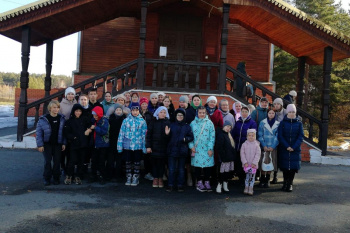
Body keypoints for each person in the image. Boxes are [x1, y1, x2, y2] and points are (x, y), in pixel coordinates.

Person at [36, 100, 66, 186]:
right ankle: (47, 178)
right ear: (50, 108)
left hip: (58, 144)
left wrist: (64, 143)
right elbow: (39, 133)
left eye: (57, 107)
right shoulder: (43, 119)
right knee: (48, 162)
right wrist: (40, 145)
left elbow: (64, 132)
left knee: (57, 162)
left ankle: (56, 178)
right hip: (47, 144)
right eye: (54, 107)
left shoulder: (62, 119)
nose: (56, 109)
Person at [117, 103, 147, 186]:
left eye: (136, 110)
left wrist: (144, 147)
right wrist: (120, 146)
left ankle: (136, 176)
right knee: (128, 161)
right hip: (128, 145)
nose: (135, 112)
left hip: (138, 145)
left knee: (137, 161)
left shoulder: (142, 121)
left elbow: (144, 135)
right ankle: (128, 176)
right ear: (131, 111)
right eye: (133, 110)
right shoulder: (126, 120)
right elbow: (121, 133)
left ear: (139, 111)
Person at [166, 108, 194, 192]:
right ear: (176, 116)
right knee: (171, 169)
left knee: (181, 169)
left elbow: (191, 137)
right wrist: (167, 134)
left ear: (184, 116)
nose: (180, 116)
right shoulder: (172, 125)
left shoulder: (187, 126)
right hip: (172, 150)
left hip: (182, 150)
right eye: (178, 115)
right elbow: (167, 138)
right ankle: (170, 184)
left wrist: (186, 139)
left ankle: (180, 185)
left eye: (181, 115)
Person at [278, 104, 304, 192]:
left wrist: (294, 147)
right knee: (285, 167)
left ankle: (290, 184)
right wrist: (287, 146)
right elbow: (280, 135)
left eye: (293, 112)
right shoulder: (283, 123)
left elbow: (301, 136)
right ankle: (285, 183)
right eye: (290, 112)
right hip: (284, 148)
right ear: (287, 112)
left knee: (292, 168)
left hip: (295, 149)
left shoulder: (299, 123)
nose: (291, 114)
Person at [189, 106, 215, 192]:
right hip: (197, 149)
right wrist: (191, 146)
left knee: (207, 167)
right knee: (198, 167)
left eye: (203, 113)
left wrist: (210, 148)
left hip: (207, 148)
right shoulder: (193, 123)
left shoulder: (210, 123)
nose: (202, 114)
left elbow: (212, 137)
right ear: (197, 113)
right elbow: (189, 136)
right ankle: (199, 182)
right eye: (200, 113)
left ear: (206, 113)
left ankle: (207, 182)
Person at [63, 104, 91, 185]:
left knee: (81, 161)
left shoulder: (85, 120)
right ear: (73, 112)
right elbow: (66, 132)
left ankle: (78, 176)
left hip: (83, 144)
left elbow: (90, 126)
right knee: (72, 160)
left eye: (79, 111)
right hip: (73, 144)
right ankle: (69, 175)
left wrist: (89, 130)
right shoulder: (69, 121)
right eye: (76, 111)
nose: (78, 113)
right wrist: (73, 137)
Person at [146, 106, 171, 188]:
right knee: (154, 163)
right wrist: (148, 146)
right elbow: (148, 135)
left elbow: (170, 137)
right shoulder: (153, 122)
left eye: (164, 112)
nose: (163, 114)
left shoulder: (167, 122)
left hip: (163, 147)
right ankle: (155, 178)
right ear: (157, 113)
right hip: (154, 147)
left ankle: (160, 178)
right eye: (161, 112)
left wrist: (167, 134)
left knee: (162, 164)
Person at [232, 106, 257, 184]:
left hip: (247, 147)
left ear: (248, 113)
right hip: (238, 145)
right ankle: (240, 178)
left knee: (247, 162)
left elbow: (253, 135)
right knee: (239, 162)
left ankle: (246, 179)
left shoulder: (252, 123)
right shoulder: (238, 122)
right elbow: (234, 133)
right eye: (243, 111)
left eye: (246, 112)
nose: (244, 113)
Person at [258, 108, 279, 188]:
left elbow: (278, 137)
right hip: (264, 147)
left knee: (271, 162)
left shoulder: (277, 124)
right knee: (263, 163)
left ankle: (268, 179)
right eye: (269, 113)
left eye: (273, 113)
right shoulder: (262, 123)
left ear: (274, 114)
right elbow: (260, 135)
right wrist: (264, 145)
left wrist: (273, 146)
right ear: (267, 114)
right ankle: (262, 179)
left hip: (272, 147)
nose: (271, 114)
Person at [59, 87, 77, 177]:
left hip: (73, 129)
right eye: (69, 94)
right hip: (64, 129)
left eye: (72, 94)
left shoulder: (76, 103)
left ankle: (70, 167)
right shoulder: (61, 105)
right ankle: (63, 167)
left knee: (71, 150)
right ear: (66, 95)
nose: (70, 95)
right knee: (63, 150)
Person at [89, 106, 109, 185]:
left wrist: (95, 128)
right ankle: (93, 176)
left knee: (101, 161)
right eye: (94, 115)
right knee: (94, 161)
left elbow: (104, 132)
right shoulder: (93, 120)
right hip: (95, 144)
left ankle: (102, 177)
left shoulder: (104, 121)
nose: (95, 117)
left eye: (96, 115)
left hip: (102, 144)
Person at [215, 121, 236, 194]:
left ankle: (225, 184)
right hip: (224, 159)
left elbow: (232, 147)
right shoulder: (221, 135)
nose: (228, 129)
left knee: (227, 173)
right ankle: (219, 185)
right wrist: (223, 157)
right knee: (222, 173)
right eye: (227, 127)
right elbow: (219, 147)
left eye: (230, 128)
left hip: (229, 158)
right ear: (224, 126)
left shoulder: (229, 136)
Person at [107, 104, 126, 180]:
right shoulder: (110, 119)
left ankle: (118, 174)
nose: (118, 111)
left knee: (119, 159)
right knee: (110, 159)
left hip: (121, 141)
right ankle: (109, 174)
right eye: (117, 110)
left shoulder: (124, 119)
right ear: (114, 111)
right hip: (112, 141)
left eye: (120, 110)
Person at [240, 129, 261, 195]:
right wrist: (244, 162)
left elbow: (258, 154)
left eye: (252, 136)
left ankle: (251, 188)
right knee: (247, 177)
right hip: (246, 165)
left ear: (255, 136)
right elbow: (242, 154)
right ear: (247, 136)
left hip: (253, 165)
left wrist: (254, 163)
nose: (251, 137)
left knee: (252, 177)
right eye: (249, 135)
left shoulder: (257, 145)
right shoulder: (244, 144)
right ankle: (246, 187)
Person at [272, 97, 287, 184]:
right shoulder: (274, 113)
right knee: (275, 157)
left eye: (278, 104)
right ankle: (275, 176)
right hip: (275, 138)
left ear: (281, 105)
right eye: (275, 104)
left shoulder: (286, 112)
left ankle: (285, 178)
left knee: (283, 158)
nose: (276, 105)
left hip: (283, 138)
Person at [139, 97, 154, 181]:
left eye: (145, 104)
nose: (144, 105)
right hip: (138, 136)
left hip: (147, 137)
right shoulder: (138, 113)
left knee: (147, 156)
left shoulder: (150, 114)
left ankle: (147, 172)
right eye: (142, 104)